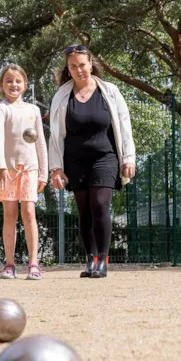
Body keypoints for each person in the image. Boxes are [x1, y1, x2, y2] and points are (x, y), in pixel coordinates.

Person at [48, 45, 136, 278]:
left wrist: (128, 158)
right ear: (68, 69)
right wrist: (56, 168)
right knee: (84, 211)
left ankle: (103, 260)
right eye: (73, 66)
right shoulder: (61, 96)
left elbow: (124, 125)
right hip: (75, 161)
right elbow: (55, 135)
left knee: (99, 204)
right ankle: (90, 260)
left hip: (105, 157)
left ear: (91, 64)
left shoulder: (110, 91)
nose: (79, 70)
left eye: (82, 65)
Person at [0, 64, 48, 280]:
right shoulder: (1, 108)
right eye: (8, 81)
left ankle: (34, 264)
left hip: (30, 169)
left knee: (29, 212)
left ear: (25, 84)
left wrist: (44, 172)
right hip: (8, 170)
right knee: (10, 214)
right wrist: (1, 166)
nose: (13, 84)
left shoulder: (33, 110)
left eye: (18, 81)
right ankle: (10, 264)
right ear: (2, 85)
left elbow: (40, 141)